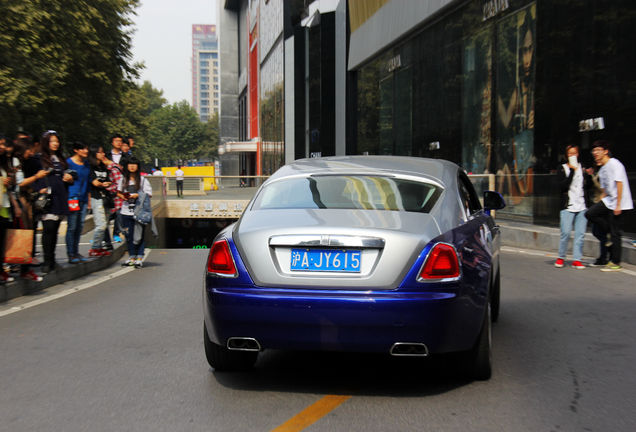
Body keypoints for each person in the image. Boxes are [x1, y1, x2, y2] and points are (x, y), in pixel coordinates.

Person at [585, 140, 633, 272]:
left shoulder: (614, 164)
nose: (595, 153)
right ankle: (607, 236)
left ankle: (615, 262)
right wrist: (601, 201)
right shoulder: (603, 168)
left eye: (598, 150)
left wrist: (618, 205)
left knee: (615, 233)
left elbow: (619, 183)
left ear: (605, 151)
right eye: (594, 151)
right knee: (590, 214)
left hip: (620, 203)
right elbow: (605, 189)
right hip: (609, 201)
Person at [36, 131, 74, 273]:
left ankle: (52, 260)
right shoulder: (40, 159)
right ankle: (46, 261)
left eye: (57, 141)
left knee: (55, 230)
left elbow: (66, 176)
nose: (55, 143)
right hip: (47, 200)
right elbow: (36, 177)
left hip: (60, 198)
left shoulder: (60, 159)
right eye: (52, 141)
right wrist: (40, 189)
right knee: (48, 229)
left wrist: (69, 179)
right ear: (46, 142)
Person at [12, 138, 47, 281]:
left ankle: (24, 267)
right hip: (19, 199)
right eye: (28, 149)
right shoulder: (15, 162)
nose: (31, 152)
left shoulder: (23, 162)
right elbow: (19, 184)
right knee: (23, 233)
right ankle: (21, 267)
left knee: (27, 232)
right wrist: (36, 177)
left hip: (24, 198)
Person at [555, 145, 590, 269]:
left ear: (578, 154)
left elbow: (587, 186)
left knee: (580, 234)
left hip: (582, 205)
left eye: (574, 153)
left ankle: (577, 259)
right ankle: (561, 257)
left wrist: (589, 175)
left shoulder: (583, 168)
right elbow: (562, 186)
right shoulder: (562, 168)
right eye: (570, 153)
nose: (572, 155)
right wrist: (572, 171)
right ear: (566, 155)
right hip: (567, 206)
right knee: (565, 232)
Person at [117, 157, 152, 268]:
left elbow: (149, 194)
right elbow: (118, 192)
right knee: (128, 236)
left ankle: (140, 257)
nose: (132, 166)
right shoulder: (123, 180)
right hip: (126, 212)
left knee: (139, 235)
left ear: (137, 166)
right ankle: (132, 257)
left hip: (139, 213)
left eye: (134, 164)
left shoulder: (143, 180)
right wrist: (124, 196)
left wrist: (138, 195)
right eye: (130, 164)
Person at [65, 142, 90, 263]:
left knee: (80, 226)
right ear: (76, 150)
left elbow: (88, 181)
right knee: (72, 226)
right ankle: (70, 253)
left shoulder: (86, 164)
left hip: (83, 198)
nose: (85, 151)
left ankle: (76, 251)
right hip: (72, 198)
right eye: (83, 149)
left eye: (86, 149)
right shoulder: (68, 163)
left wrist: (88, 199)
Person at [87, 145, 114, 257]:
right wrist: (102, 184)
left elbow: (109, 179)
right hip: (96, 197)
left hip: (106, 197)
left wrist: (107, 183)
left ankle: (98, 247)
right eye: (100, 152)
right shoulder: (90, 167)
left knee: (106, 223)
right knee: (101, 224)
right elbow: (94, 183)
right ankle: (94, 248)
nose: (103, 155)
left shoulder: (103, 167)